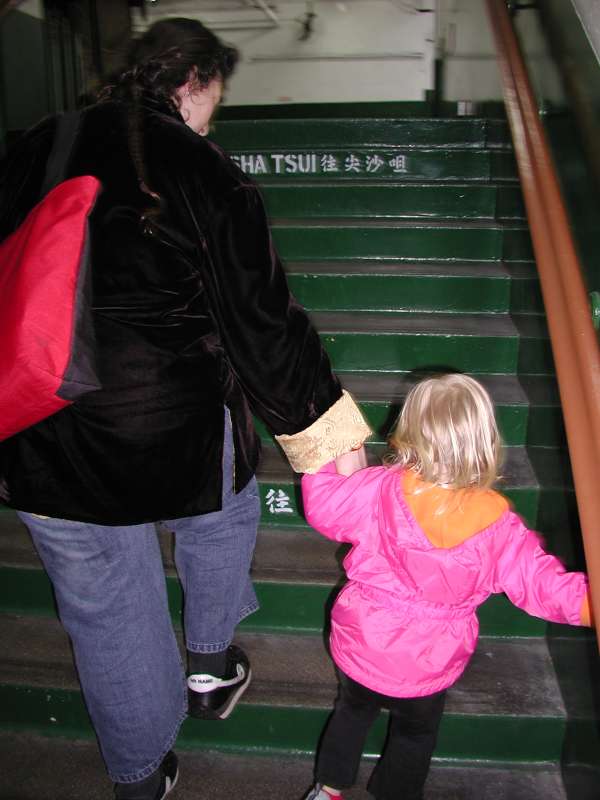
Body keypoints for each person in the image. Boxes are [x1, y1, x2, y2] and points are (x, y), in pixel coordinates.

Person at [0, 17, 370, 800]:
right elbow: (262, 322)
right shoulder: (198, 166)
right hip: (164, 422)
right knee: (224, 505)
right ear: (196, 81)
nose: (211, 118)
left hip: (35, 425)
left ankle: (142, 778)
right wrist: (325, 426)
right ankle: (209, 661)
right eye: (215, 100)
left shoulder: (34, 145)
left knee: (104, 609)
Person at [301, 373, 592, 800]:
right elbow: (543, 586)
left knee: (350, 713)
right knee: (416, 735)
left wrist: (328, 461)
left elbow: (325, 507)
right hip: (431, 659)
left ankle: (328, 789)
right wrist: (588, 605)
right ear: (485, 441)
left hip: (365, 642)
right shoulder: (498, 526)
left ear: (409, 433)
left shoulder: (378, 487)